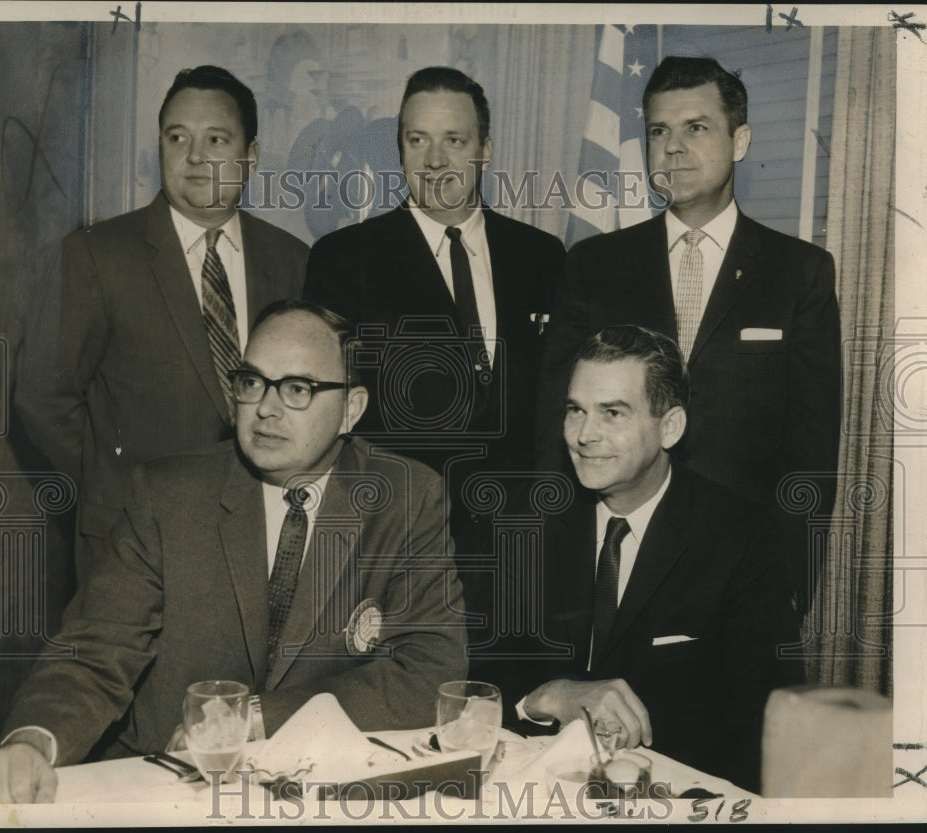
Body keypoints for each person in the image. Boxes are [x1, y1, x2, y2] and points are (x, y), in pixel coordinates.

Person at [0, 300, 467, 804]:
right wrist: (32, 742)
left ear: (350, 409)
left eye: (297, 389)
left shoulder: (406, 497)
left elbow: (429, 672)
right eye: (251, 382)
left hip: (324, 790)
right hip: (171, 787)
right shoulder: (167, 494)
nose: (265, 408)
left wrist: (260, 717)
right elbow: (94, 653)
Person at [536, 57, 841, 609]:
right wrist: (545, 565)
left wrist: (793, 579)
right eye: (659, 131)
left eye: (696, 128)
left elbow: (811, 451)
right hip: (615, 555)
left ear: (739, 140)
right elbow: (552, 427)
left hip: (743, 567)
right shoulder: (593, 265)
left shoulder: (800, 272)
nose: (673, 148)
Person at [15, 65, 309, 582]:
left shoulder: (292, 260)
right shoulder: (95, 255)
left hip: (261, 541)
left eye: (216, 138)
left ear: (251, 157)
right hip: (132, 544)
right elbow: (42, 394)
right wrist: (113, 481)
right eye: (177, 137)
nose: (195, 156)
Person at [303, 65, 564, 625]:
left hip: (522, 555)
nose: (435, 159)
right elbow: (329, 422)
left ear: (485, 150)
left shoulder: (542, 257)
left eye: (455, 140)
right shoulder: (342, 260)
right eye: (417, 139)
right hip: (395, 553)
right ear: (400, 148)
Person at [492, 326, 801, 793]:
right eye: (575, 410)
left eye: (612, 413)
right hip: (535, 788)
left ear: (670, 427)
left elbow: (764, 723)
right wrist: (550, 696)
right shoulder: (528, 514)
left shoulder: (741, 536)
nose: (584, 435)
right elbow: (479, 675)